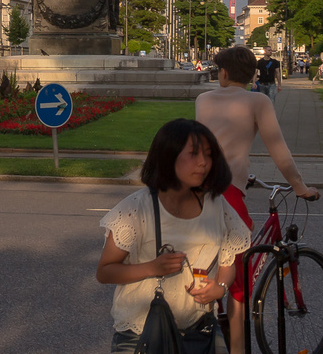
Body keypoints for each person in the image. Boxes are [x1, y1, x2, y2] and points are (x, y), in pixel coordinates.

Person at [195, 46, 319, 354]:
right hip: (228, 193)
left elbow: (213, 144)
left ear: (222, 73)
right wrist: (300, 186)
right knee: (237, 284)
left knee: (202, 265)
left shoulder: (203, 100)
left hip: (197, 191)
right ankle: (238, 349)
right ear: (252, 74)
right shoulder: (257, 101)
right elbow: (278, 150)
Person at [97, 119, 250, 354]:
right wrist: (152, 267)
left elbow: (227, 263)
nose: (203, 163)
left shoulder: (217, 205)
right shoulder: (137, 209)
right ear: (168, 156)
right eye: (193, 154)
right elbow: (105, 271)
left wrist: (220, 287)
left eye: (208, 155)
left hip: (201, 331)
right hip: (142, 334)